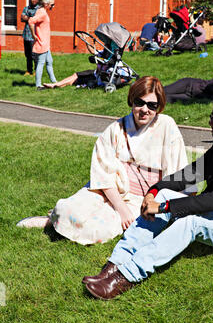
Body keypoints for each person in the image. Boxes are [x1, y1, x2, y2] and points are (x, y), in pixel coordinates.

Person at [82, 93, 213, 300]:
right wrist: (154, 191)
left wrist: (164, 208)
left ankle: (126, 276)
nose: (209, 122)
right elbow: (190, 175)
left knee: (190, 222)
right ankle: (115, 264)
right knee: (163, 194)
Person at [17, 77, 188, 245]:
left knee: (99, 229)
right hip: (109, 190)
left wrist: (175, 206)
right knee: (67, 210)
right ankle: (53, 218)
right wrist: (121, 208)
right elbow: (103, 174)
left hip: (143, 197)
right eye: (139, 102)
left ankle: (60, 224)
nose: (145, 109)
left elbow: (180, 170)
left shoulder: (167, 126)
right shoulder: (116, 128)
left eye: (152, 105)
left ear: (159, 107)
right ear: (132, 101)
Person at [28, 0, 57, 90]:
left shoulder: (41, 11)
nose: (53, 6)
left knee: (49, 61)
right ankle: (38, 85)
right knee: (41, 63)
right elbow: (31, 21)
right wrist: (33, 35)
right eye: (52, 5)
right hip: (42, 43)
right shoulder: (42, 13)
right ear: (46, 4)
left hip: (45, 43)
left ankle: (54, 82)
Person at [21, 0, 40, 76]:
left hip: (34, 35)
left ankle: (37, 71)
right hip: (26, 34)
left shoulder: (39, 9)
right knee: (27, 54)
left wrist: (28, 18)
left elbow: (38, 19)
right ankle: (29, 70)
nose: (34, 1)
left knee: (34, 54)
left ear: (38, 0)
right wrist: (31, 19)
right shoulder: (26, 8)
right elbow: (22, 18)